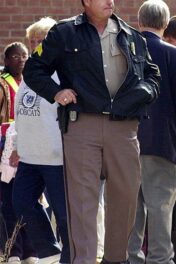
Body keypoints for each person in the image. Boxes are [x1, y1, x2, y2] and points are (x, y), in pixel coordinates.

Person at [23, 0, 161, 263]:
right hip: (81, 124)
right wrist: (56, 92)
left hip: (125, 127)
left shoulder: (131, 35)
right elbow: (34, 69)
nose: (110, 1)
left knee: (126, 196)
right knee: (82, 202)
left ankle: (115, 259)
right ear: (86, 2)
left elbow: (153, 76)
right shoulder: (64, 33)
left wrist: (144, 92)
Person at [127, 1, 176, 264]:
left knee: (131, 210)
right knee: (160, 209)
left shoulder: (123, 51)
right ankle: (159, 259)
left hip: (126, 141)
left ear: (139, 21)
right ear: (165, 24)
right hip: (163, 142)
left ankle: (130, 257)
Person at [9, 17, 70, 264]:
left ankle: (71, 256)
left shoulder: (61, 74)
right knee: (21, 202)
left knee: (64, 215)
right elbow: (22, 114)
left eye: (41, 41)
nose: (35, 46)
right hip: (30, 155)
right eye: (32, 41)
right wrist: (16, 145)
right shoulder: (28, 74)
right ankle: (49, 250)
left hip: (56, 157)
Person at [0, 42, 38, 264]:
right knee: (8, 199)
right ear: (6, 61)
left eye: (24, 56)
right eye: (15, 57)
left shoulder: (33, 82)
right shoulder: (3, 84)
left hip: (30, 144)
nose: (21, 60)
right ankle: (12, 251)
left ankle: (31, 251)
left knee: (29, 199)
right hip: (5, 145)